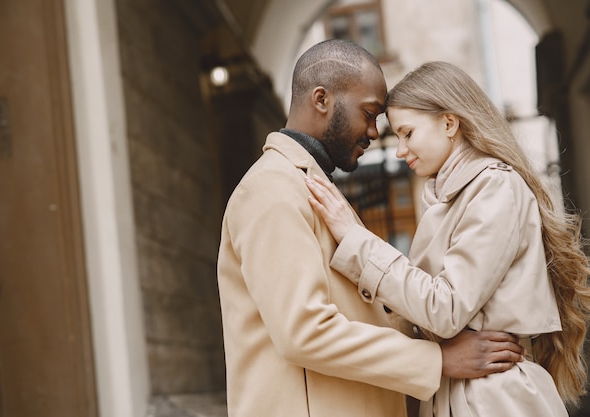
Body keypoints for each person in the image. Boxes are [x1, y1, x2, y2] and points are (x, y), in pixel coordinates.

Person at [217, 41, 524, 417]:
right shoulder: (272, 188)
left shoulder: (310, 185)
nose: (376, 133)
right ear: (321, 99)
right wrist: (436, 360)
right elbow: (305, 332)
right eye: (369, 113)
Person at [305, 61, 590, 417]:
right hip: (458, 394)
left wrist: (356, 240)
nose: (400, 150)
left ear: (449, 123)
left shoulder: (494, 187)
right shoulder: (447, 195)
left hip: (492, 397)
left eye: (408, 133)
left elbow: (446, 309)